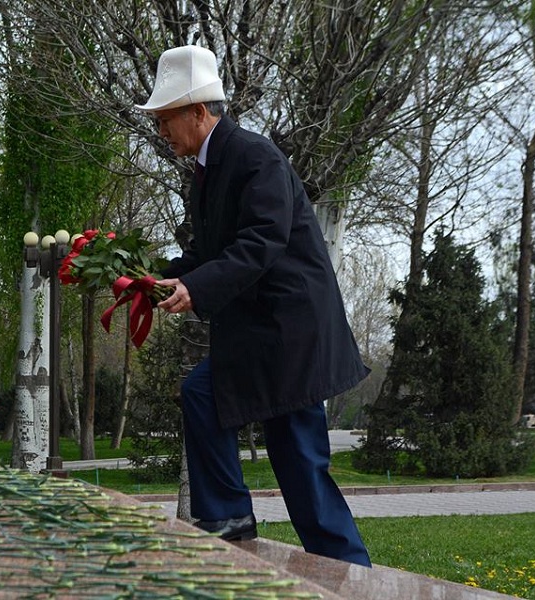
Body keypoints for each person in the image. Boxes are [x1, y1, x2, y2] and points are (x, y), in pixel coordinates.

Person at [137, 45, 372, 567]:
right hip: (259, 337)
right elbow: (206, 253)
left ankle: (353, 575)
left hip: (290, 337)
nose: (161, 132)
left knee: (302, 469)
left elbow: (261, 242)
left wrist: (195, 289)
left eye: (165, 119)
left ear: (199, 112)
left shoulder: (255, 157)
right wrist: (153, 278)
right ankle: (229, 521)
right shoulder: (206, 170)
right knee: (201, 393)